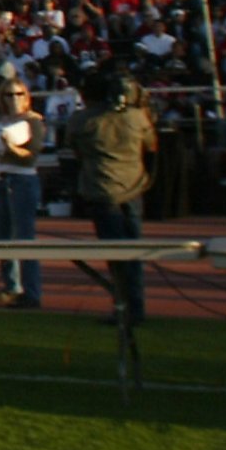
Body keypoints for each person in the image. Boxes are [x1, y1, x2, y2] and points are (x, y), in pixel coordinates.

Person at [68, 71, 157, 325]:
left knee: (117, 256)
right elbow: (151, 146)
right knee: (134, 252)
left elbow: (76, 151)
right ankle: (136, 308)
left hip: (103, 190)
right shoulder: (137, 117)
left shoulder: (82, 120)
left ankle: (123, 307)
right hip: (133, 187)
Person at [0, 81, 46, 308]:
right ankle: (11, 286)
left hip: (22, 180)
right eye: (8, 95)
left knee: (24, 236)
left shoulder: (33, 120)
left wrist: (10, 149)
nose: (13, 99)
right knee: (0, 237)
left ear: (26, 96)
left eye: (18, 94)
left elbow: (30, 156)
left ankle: (32, 292)